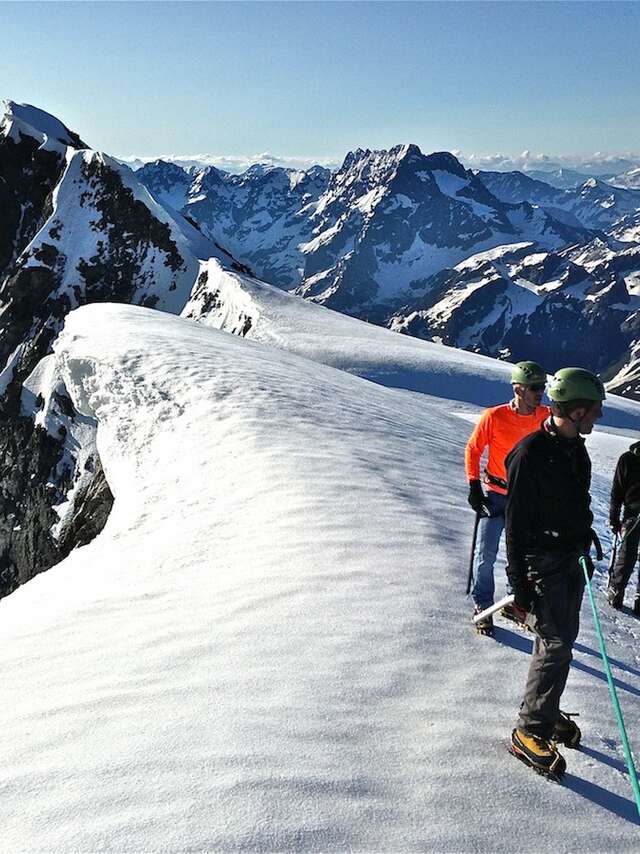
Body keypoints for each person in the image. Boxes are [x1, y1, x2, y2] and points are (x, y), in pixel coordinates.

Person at [505, 367, 605, 778]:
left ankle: (544, 708)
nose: (598, 416)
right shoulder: (529, 454)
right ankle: (529, 729)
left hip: (569, 558)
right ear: (577, 410)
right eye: (594, 410)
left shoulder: (574, 449)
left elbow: (576, 502)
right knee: (556, 642)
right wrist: (519, 584)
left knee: (562, 640)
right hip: (542, 563)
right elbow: (515, 523)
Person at [465, 361, 549, 634]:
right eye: (535, 388)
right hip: (495, 495)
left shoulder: (545, 416)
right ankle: (483, 605)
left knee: (522, 557)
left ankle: (516, 603)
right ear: (518, 389)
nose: (540, 392)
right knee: (485, 555)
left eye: (542, 387)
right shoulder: (494, 416)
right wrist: (474, 486)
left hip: (526, 497)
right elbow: (473, 449)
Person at [607, 441, 640, 615]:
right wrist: (614, 519)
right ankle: (616, 589)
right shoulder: (628, 459)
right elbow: (617, 491)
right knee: (627, 554)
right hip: (632, 515)